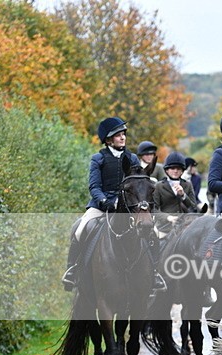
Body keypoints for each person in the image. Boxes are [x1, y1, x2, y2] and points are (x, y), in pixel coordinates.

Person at [62, 116, 166, 294]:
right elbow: (94, 186)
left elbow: (139, 184)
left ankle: (154, 273)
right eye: (118, 135)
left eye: (124, 134)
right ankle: (72, 270)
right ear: (109, 139)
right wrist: (106, 201)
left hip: (128, 206)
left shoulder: (132, 158)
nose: (123, 137)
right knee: (80, 228)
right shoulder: (98, 159)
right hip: (101, 204)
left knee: (153, 233)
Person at [153, 152, 198, 236]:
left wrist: (183, 195)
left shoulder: (187, 184)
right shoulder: (158, 186)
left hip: (184, 227)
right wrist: (168, 217)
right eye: (172, 168)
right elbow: (153, 209)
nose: (176, 171)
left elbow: (193, 207)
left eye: (178, 168)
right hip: (165, 228)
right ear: (167, 170)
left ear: (182, 170)